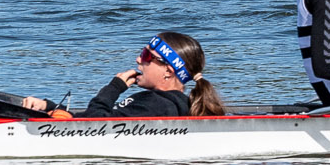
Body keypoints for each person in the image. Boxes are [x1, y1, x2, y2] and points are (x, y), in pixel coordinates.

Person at [17, 31, 226, 119]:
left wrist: (114, 88)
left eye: (146, 56)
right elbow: (98, 120)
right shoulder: (172, 102)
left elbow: (94, 123)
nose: (138, 60)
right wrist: (50, 108)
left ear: (168, 70)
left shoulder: (155, 103)